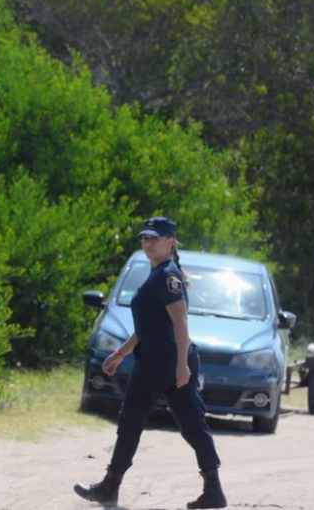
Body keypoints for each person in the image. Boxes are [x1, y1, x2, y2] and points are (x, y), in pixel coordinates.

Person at [74, 216, 226, 509]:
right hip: (163, 358)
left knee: (133, 419)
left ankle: (110, 486)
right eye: (145, 238)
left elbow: (180, 321)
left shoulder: (167, 276)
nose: (148, 243)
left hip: (163, 362)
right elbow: (150, 326)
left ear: (170, 242)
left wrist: (182, 365)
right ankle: (214, 491)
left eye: (154, 238)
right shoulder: (158, 274)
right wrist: (122, 353)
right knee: (192, 425)